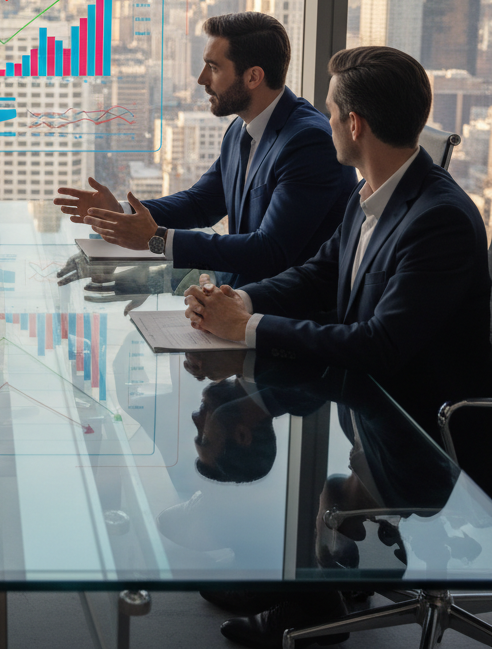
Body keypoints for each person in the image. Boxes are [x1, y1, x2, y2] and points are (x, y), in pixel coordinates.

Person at [183, 46, 492, 649]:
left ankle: (309, 615)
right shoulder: (374, 193)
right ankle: (313, 590)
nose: (322, 124)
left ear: (355, 124)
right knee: (308, 469)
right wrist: (241, 302)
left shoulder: (440, 218)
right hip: (373, 411)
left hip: (431, 435)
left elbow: (380, 345)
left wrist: (245, 331)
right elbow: (322, 275)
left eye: (328, 113)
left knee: (298, 486)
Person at [56, 12, 358, 286]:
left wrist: (157, 239)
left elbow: (270, 251)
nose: (201, 79)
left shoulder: (309, 142)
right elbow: (201, 203)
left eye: (213, 68)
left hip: (287, 322)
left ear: (253, 76)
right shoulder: (242, 128)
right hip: (236, 301)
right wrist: (120, 212)